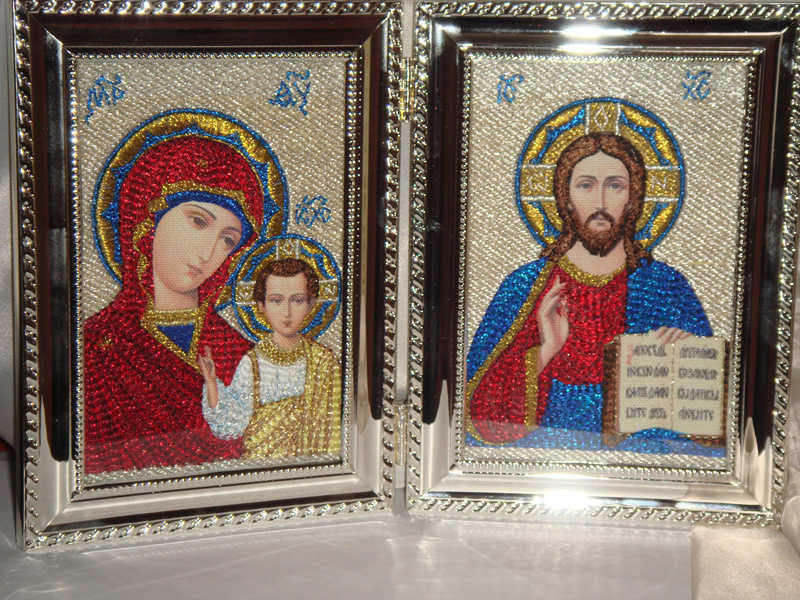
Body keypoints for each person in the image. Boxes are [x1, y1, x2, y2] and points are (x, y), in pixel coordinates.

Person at [467, 133, 712, 446]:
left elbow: (708, 422)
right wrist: (546, 350)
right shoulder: (525, 286)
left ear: (633, 198)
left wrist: (688, 363)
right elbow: (475, 417)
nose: (600, 203)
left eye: (615, 186)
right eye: (586, 185)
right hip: (543, 457)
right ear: (565, 197)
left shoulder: (666, 287)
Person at [83, 134, 268, 474]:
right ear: (147, 217)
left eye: (228, 239)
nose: (208, 253)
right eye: (198, 221)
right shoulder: (93, 349)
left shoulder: (239, 353)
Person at [199, 258, 342, 459]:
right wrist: (212, 383)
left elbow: (333, 431)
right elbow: (231, 425)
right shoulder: (253, 364)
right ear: (261, 305)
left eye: (297, 300)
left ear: (311, 304)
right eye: (276, 300)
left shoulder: (324, 362)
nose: (287, 312)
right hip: (261, 467)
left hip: (314, 470)